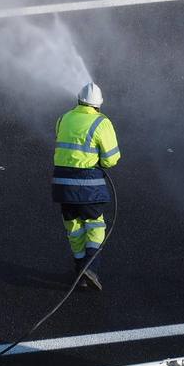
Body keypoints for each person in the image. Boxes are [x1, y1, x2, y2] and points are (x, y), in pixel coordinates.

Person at [51, 82, 120, 290]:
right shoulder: (101, 122)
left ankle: (79, 269)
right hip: (87, 183)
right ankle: (90, 267)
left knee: (74, 226)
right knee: (95, 224)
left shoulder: (63, 117)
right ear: (98, 104)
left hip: (62, 184)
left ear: (78, 100)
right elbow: (111, 158)